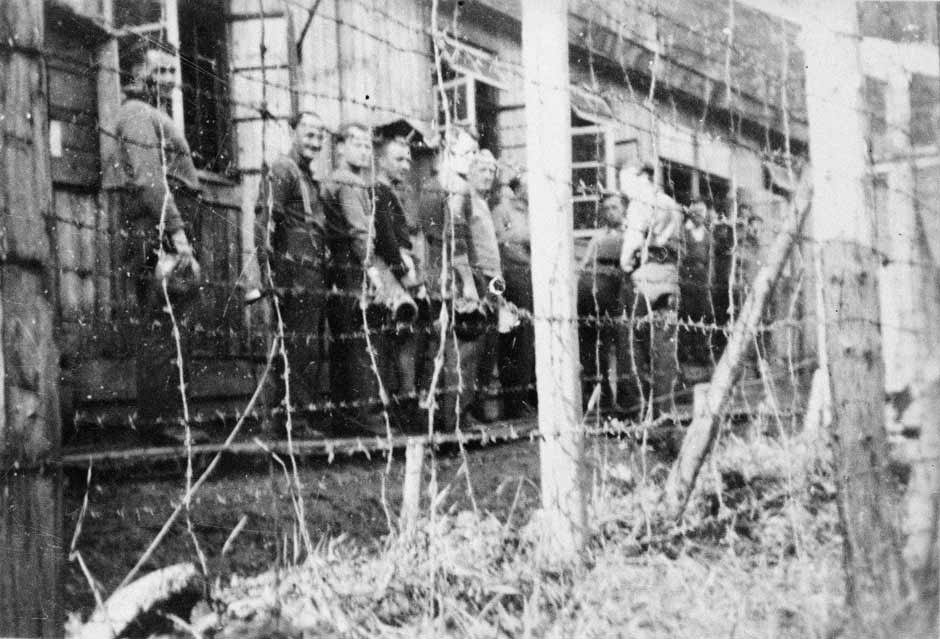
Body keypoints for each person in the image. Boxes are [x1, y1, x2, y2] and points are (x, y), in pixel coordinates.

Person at [102, 35, 202, 437]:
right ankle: (162, 421)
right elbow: (149, 180)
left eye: (172, 71)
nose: (169, 79)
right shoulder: (137, 114)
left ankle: (170, 416)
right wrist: (178, 235)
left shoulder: (151, 113)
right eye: (159, 70)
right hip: (156, 231)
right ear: (135, 73)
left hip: (163, 227)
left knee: (172, 321)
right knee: (164, 321)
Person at [253, 110, 328, 434]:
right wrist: (268, 271)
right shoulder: (283, 169)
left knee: (305, 347)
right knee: (297, 347)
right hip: (293, 273)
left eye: (320, 136)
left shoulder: (307, 176)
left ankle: (292, 419)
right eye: (309, 134)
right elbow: (266, 220)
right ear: (292, 132)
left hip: (311, 273)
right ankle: (291, 422)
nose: (315, 142)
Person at [322, 122, 390, 435]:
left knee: (346, 342)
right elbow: (359, 231)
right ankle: (368, 417)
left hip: (339, 267)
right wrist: (371, 270)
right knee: (364, 341)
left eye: (367, 145)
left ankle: (346, 417)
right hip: (354, 267)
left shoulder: (333, 180)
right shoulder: (349, 182)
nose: (364, 151)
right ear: (340, 147)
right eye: (357, 144)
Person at [415, 125, 480, 431]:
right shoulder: (457, 186)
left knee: (436, 349)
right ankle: (456, 420)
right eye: (467, 151)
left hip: (433, 277)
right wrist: (469, 283)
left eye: (474, 152)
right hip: (454, 278)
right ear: (449, 150)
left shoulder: (430, 185)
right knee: (461, 350)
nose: (472, 158)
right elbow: (457, 237)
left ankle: (432, 419)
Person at [619, 163, 683, 417]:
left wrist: (625, 264)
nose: (624, 189)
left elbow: (633, 242)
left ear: (639, 178)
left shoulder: (640, 203)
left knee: (635, 343)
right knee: (664, 347)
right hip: (669, 276)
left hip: (644, 278)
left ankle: (638, 408)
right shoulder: (672, 204)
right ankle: (663, 408)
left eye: (624, 182)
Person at [371, 132, 424, 430]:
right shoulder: (379, 191)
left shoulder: (393, 192)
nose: (405, 165)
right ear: (381, 161)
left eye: (408, 160)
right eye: (398, 159)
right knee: (395, 335)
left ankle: (405, 403)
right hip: (390, 271)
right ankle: (397, 406)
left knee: (404, 335)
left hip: (400, 267)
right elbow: (386, 238)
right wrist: (403, 273)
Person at [577, 191, 629, 412]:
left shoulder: (630, 234)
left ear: (624, 209)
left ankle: (627, 399)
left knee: (622, 347)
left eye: (614, 207)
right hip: (593, 295)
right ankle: (602, 396)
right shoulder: (599, 236)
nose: (610, 212)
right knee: (594, 348)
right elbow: (585, 264)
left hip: (617, 295)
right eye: (606, 208)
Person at [492, 172, 536, 418]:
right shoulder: (503, 211)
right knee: (515, 338)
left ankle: (526, 397)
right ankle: (514, 402)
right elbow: (503, 242)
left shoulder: (533, 211)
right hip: (512, 276)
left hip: (531, 275)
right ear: (518, 188)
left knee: (529, 338)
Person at [466, 149, 504, 422]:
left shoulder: (484, 203)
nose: (488, 176)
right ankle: (470, 405)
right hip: (478, 277)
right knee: (477, 343)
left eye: (491, 171)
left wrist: (498, 286)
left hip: (493, 278)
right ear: (470, 172)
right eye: (482, 170)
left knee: (491, 342)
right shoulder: (467, 199)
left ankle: (480, 402)